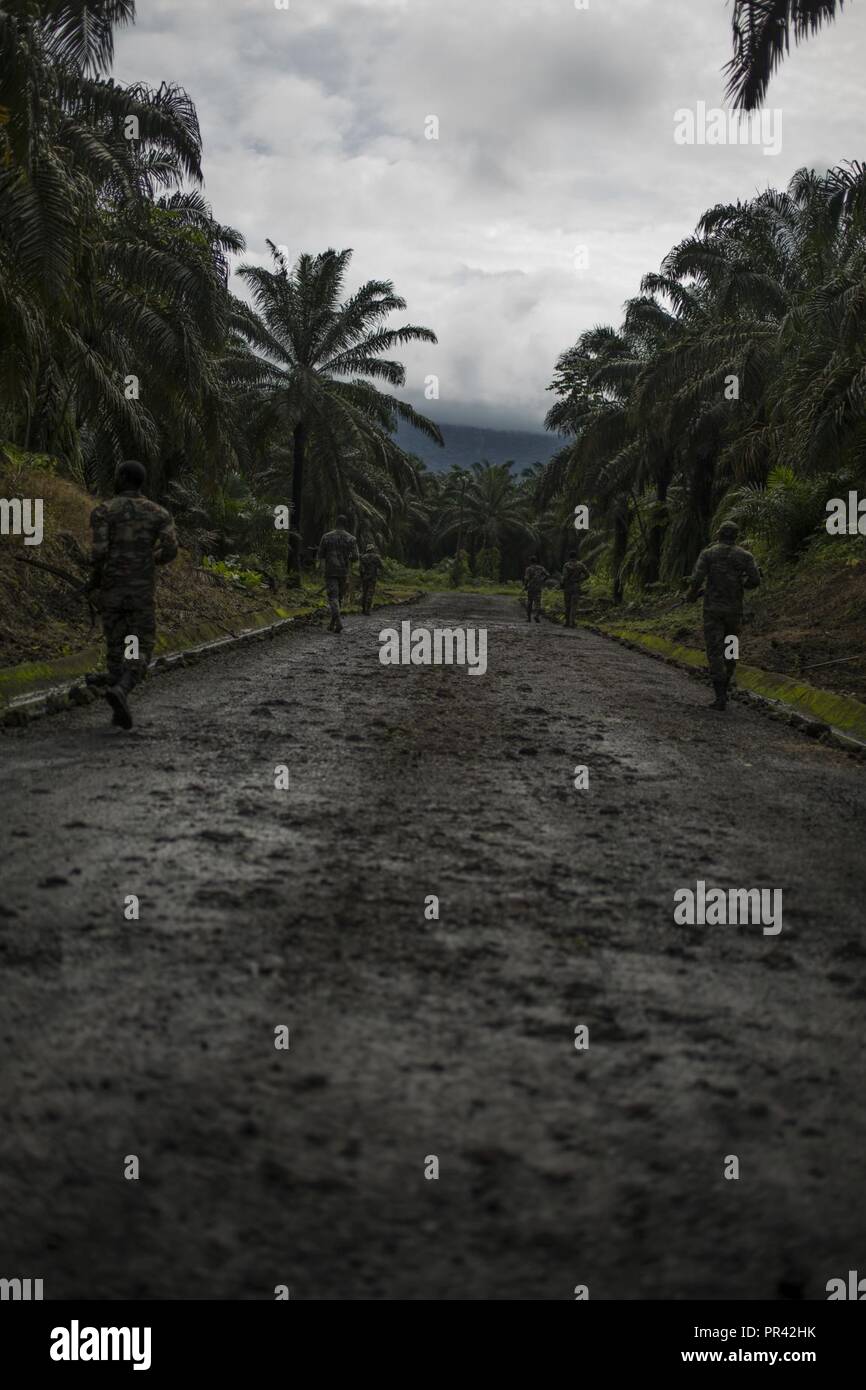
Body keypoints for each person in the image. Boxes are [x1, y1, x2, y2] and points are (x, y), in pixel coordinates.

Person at [87, 459, 177, 730]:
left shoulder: (104, 511)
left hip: (112, 590)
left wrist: (95, 582)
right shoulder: (159, 513)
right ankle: (123, 689)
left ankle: (118, 701)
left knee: (116, 648)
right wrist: (149, 561)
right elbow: (171, 550)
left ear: (123, 478)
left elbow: (99, 553)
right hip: (140, 591)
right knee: (140, 643)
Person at [687, 521, 761, 710]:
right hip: (734, 611)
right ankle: (726, 688)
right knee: (730, 649)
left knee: (714, 652)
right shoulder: (745, 556)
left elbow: (697, 579)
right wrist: (740, 585)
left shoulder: (709, 554)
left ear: (719, 534)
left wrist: (691, 595)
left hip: (712, 610)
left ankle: (720, 695)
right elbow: (754, 580)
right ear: (735, 536)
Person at [317, 514, 359, 633]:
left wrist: (321, 569)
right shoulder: (351, 539)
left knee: (333, 597)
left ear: (336, 523)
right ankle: (333, 623)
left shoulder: (326, 537)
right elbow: (355, 557)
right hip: (344, 572)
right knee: (339, 598)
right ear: (345, 524)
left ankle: (337, 622)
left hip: (330, 571)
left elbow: (321, 555)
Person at [560, 549, 590, 628]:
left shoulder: (566, 565)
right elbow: (587, 575)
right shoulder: (580, 565)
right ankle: (572, 623)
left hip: (567, 587)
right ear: (576, 557)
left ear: (569, 557)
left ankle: (566, 622)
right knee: (574, 605)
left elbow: (564, 576)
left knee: (567, 605)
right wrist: (580, 580)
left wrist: (562, 584)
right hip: (576, 586)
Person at [523, 554, 549, 623]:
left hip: (531, 587)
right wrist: (542, 580)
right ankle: (537, 616)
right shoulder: (541, 568)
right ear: (536, 561)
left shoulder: (529, 569)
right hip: (538, 587)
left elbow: (526, 578)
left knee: (529, 602)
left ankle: (528, 618)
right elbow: (547, 575)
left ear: (530, 561)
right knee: (538, 602)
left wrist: (525, 586)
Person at [359, 544, 384, 615]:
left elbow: (360, 568)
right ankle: (368, 609)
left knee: (364, 593)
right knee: (370, 593)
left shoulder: (363, 557)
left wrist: (362, 577)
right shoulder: (376, 557)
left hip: (365, 578)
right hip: (372, 578)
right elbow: (381, 566)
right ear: (373, 549)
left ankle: (363, 609)